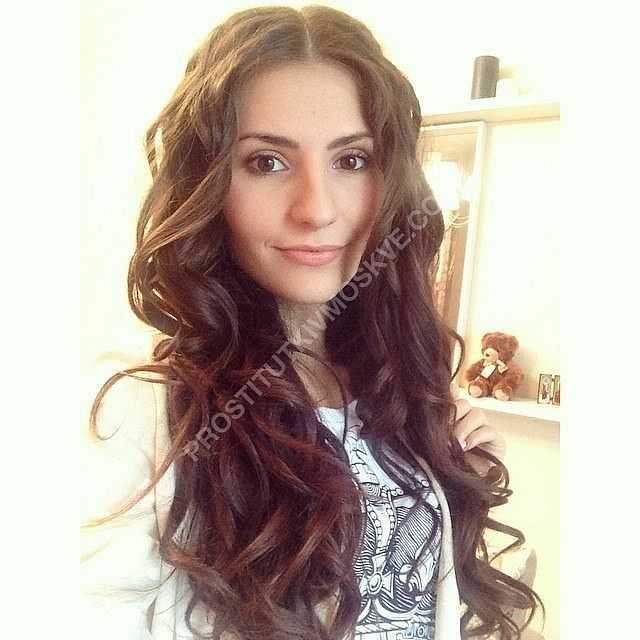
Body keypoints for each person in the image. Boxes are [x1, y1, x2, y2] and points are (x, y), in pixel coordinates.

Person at [80, 5, 544, 640]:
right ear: (208, 184)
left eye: (351, 160)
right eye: (267, 162)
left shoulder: (394, 382)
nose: (317, 209)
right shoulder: (144, 410)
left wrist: (455, 478)